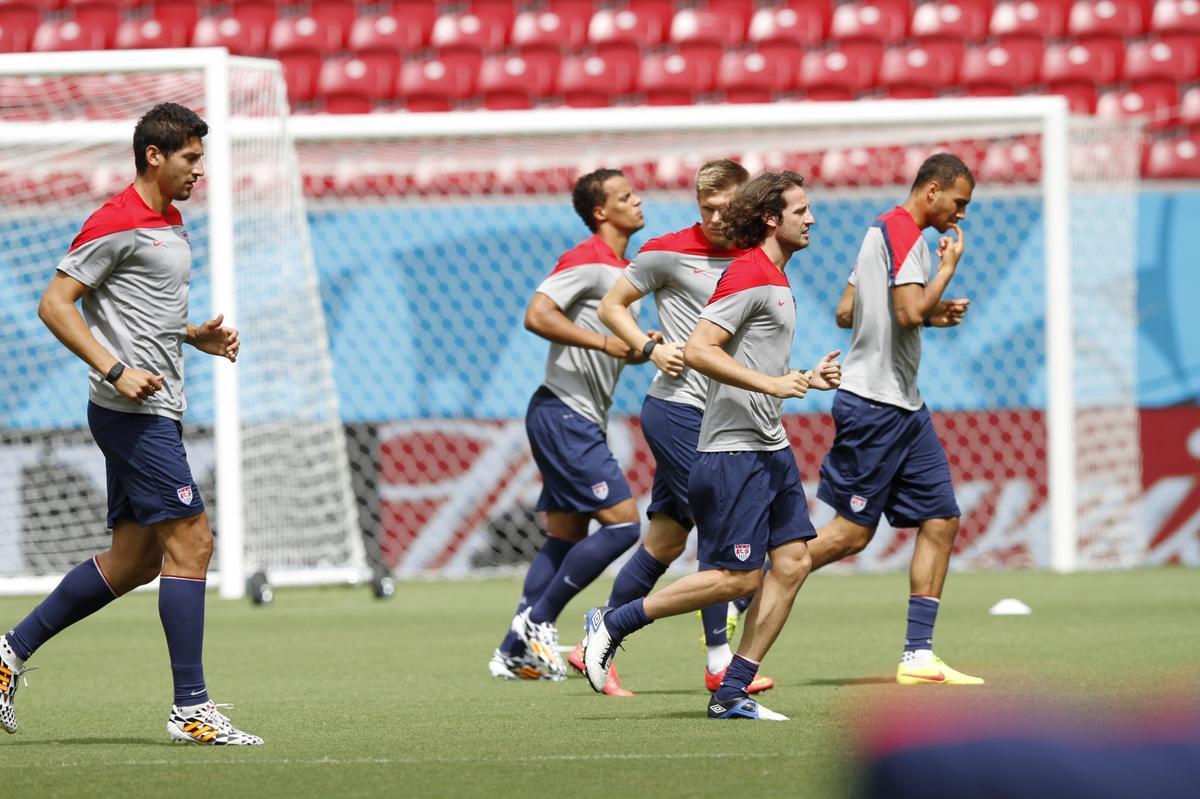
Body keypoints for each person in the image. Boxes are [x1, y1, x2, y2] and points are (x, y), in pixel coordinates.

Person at [0, 103, 262, 745]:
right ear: (154, 155)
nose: (200, 170)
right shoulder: (117, 220)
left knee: (135, 559)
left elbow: (138, 309)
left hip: (156, 409)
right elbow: (54, 304)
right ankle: (192, 709)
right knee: (194, 540)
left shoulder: (170, 221)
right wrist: (117, 370)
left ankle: (8, 652)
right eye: (191, 158)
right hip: (132, 412)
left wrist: (190, 335)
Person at [582, 171, 841, 721]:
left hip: (768, 443)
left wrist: (802, 376)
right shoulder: (748, 272)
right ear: (772, 218)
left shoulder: (769, 272)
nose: (812, 218)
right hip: (731, 448)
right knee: (735, 575)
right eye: (801, 210)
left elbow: (752, 357)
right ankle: (614, 623)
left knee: (792, 563)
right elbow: (700, 348)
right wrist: (772, 385)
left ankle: (730, 691)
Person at [590, 159, 774, 696]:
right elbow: (612, 306)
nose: (716, 217)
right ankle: (719, 661)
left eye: (726, 208)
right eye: (706, 207)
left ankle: (593, 640)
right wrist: (650, 348)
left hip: (727, 419)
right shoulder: (668, 250)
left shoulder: (756, 256)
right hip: (678, 410)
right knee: (720, 532)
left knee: (665, 543)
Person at [813, 152, 982, 686]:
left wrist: (932, 310)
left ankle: (918, 656)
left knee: (941, 518)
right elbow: (906, 314)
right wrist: (945, 274)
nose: (960, 216)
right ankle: (746, 586)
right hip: (875, 404)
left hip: (903, 404)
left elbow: (847, 311)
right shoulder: (909, 238)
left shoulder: (877, 231)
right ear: (932, 191)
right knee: (848, 536)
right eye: (958, 203)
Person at [488, 168, 653, 683]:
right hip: (564, 412)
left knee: (564, 537)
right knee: (624, 523)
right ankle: (539, 621)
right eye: (625, 197)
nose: (638, 201)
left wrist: (632, 348)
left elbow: (603, 343)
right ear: (601, 212)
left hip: (566, 411)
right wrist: (606, 343)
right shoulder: (588, 259)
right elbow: (537, 315)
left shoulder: (622, 268)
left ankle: (513, 650)